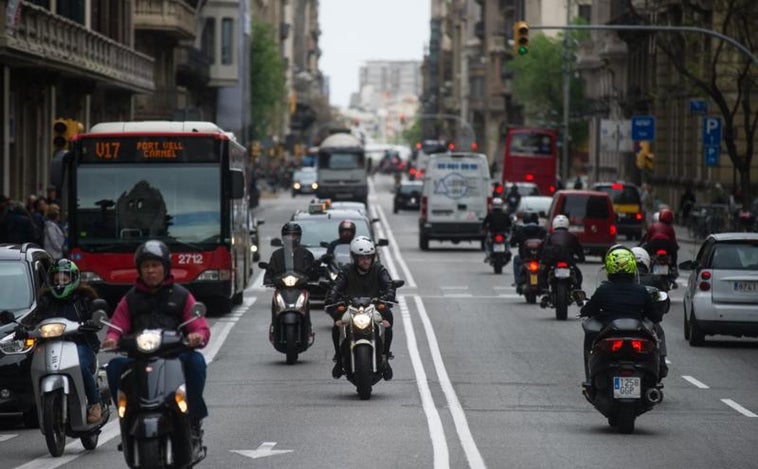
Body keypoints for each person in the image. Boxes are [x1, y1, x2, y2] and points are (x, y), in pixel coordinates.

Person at [101, 240, 210, 447]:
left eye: (155, 265)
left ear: (165, 267)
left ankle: (193, 418)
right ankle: (126, 420)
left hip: (174, 354)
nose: (151, 271)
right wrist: (111, 339)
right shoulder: (130, 299)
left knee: (195, 361)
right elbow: (117, 325)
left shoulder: (181, 295)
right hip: (139, 356)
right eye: (146, 266)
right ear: (140, 270)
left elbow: (199, 325)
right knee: (114, 367)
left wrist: (197, 335)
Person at [21, 259, 105, 424]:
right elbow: (34, 318)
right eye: (56, 280)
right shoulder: (45, 300)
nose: (60, 283)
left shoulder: (84, 299)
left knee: (81, 366)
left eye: (64, 280)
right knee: (32, 366)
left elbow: (95, 313)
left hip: (79, 343)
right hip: (50, 344)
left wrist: (92, 322)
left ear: (73, 279)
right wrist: (23, 328)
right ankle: (34, 409)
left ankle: (95, 403)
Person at [580, 247, 667, 383]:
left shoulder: (603, 290)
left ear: (609, 267)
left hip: (610, 336)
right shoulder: (641, 291)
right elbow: (655, 317)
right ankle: (658, 369)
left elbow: (587, 311)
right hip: (637, 336)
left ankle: (591, 379)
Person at [326, 236, 397, 380]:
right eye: (361, 257)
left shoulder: (379, 269)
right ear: (354, 258)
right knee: (337, 325)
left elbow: (388, 283)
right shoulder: (346, 270)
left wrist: (389, 294)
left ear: (373, 257)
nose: (365, 260)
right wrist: (332, 297)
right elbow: (337, 285)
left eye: (368, 257)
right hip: (351, 308)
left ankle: (385, 357)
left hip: (374, 308)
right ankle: (339, 360)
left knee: (387, 322)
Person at [539, 214, 585, 292]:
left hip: (553, 260)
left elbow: (543, 249)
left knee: (543, 273)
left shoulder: (550, 236)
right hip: (568, 260)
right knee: (578, 274)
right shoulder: (572, 236)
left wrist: (542, 259)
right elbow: (579, 250)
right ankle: (577, 289)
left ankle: (545, 289)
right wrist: (581, 258)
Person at [510, 212, 547, 291]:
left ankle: (518, 281)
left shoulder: (520, 230)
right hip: (539, 259)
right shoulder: (542, 230)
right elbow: (548, 243)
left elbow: (512, 242)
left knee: (516, 260)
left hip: (524, 258)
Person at [482, 197, 512, 261]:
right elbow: (510, 224)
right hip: (502, 233)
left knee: (487, 242)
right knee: (507, 242)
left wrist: (484, 228)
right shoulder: (505, 214)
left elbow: (484, 223)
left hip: (494, 233)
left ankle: (488, 254)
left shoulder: (490, 214)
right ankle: (506, 251)